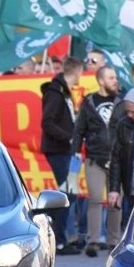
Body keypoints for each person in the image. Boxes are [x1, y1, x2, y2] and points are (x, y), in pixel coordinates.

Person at [72, 65, 123, 257]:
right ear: (101, 81)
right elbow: (79, 129)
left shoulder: (122, 101)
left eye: (115, 77)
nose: (115, 80)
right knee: (94, 200)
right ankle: (93, 240)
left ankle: (113, 241)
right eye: (111, 78)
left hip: (117, 158)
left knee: (115, 200)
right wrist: (75, 152)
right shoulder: (90, 102)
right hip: (95, 157)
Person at [41, 56, 84, 255]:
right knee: (66, 195)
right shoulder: (56, 93)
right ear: (76, 72)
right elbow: (47, 122)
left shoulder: (62, 93)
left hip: (64, 151)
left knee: (70, 193)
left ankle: (63, 238)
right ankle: (57, 240)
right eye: (80, 74)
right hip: (58, 150)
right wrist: (68, 138)